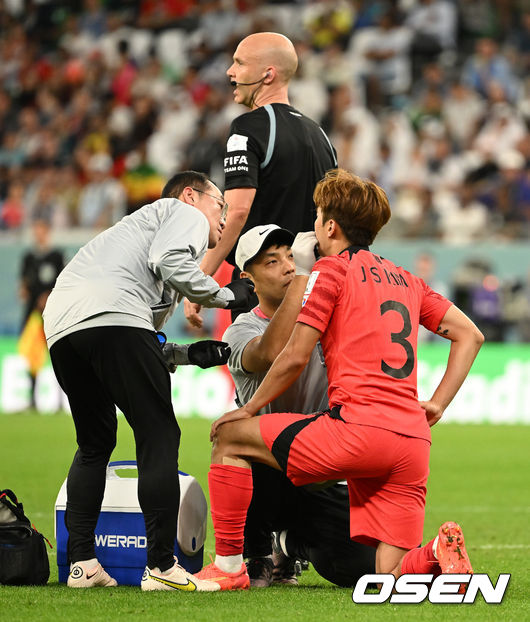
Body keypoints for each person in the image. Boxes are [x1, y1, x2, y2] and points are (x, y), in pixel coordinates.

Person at [193, 169, 484, 590]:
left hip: (355, 431)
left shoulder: (330, 272)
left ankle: (230, 567)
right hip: (412, 441)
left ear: (330, 226)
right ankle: (434, 553)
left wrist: (248, 410)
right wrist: (437, 403)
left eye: (317, 217)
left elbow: (293, 357)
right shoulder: (408, 279)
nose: (313, 225)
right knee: (386, 578)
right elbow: (470, 334)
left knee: (231, 438)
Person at [43, 170, 255, 591]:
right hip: (113, 318)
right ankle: (160, 565)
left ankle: (82, 564)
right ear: (192, 195)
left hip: (62, 330)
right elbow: (166, 266)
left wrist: (185, 354)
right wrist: (228, 296)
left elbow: (141, 344)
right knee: (158, 434)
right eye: (220, 204)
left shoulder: (134, 236)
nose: (224, 215)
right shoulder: (182, 212)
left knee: (95, 442)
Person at [224, 223, 375, 587]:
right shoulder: (240, 330)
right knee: (234, 442)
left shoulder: (331, 321)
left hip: (321, 469)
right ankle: (255, 551)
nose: (289, 266)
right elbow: (273, 353)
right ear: (249, 279)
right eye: (272, 261)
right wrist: (306, 279)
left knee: (362, 568)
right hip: (268, 470)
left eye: (292, 256)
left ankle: (291, 545)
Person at [185, 31, 337, 328]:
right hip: (313, 290)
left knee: (261, 373)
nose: (230, 72)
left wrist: (200, 281)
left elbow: (238, 210)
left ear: (268, 74)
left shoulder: (247, 127)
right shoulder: (321, 135)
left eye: (239, 63)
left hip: (264, 291)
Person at [19, 218, 64, 408]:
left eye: (41, 230)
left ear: (47, 232)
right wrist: (23, 290)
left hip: (52, 315)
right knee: (33, 356)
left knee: (58, 355)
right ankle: (32, 400)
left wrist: (49, 295)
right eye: (35, 230)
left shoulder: (56, 256)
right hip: (33, 316)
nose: (38, 234)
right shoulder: (28, 257)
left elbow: (63, 282)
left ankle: (60, 400)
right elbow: (23, 284)